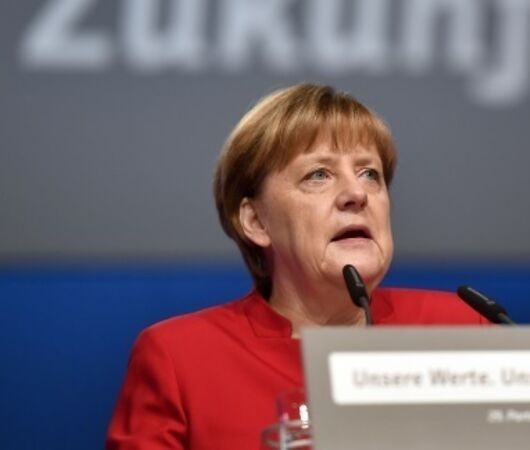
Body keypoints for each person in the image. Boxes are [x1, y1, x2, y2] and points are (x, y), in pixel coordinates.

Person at [106, 84, 488, 450]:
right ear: (256, 221)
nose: (356, 194)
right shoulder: (182, 359)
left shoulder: (460, 329)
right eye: (318, 174)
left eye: (369, 173)